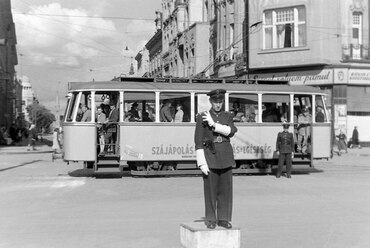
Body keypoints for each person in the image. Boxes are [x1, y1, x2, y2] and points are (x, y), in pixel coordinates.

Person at [194, 88, 238, 229]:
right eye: (215, 101)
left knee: (226, 189)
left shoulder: (227, 116)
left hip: (225, 155)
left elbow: (231, 132)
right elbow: (198, 140)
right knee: (211, 190)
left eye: (220, 101)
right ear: (210, 102)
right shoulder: (203, 116)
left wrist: (214, 125)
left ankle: (224, 218)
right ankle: (211, 219)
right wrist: (201, 162)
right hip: (210, 156)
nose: (218, 104)